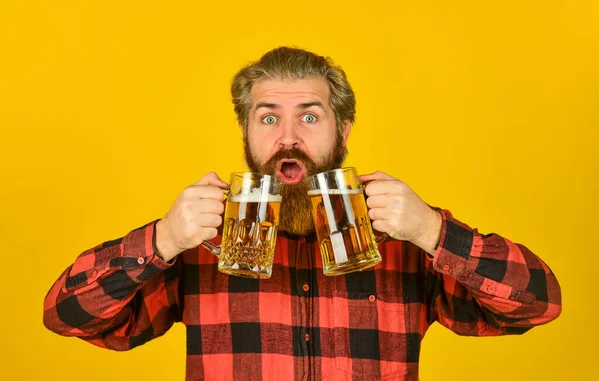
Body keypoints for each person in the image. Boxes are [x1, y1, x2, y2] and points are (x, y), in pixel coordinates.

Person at [43, 47, 562, 381]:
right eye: (268, 117)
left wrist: (432, 230)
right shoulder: (201, 239)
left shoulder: (405, 234)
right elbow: (67, 316)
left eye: (309, 116)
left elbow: (537, 304)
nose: (288, 137)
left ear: (344, 129)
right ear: (245, 132)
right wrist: (158, 241)